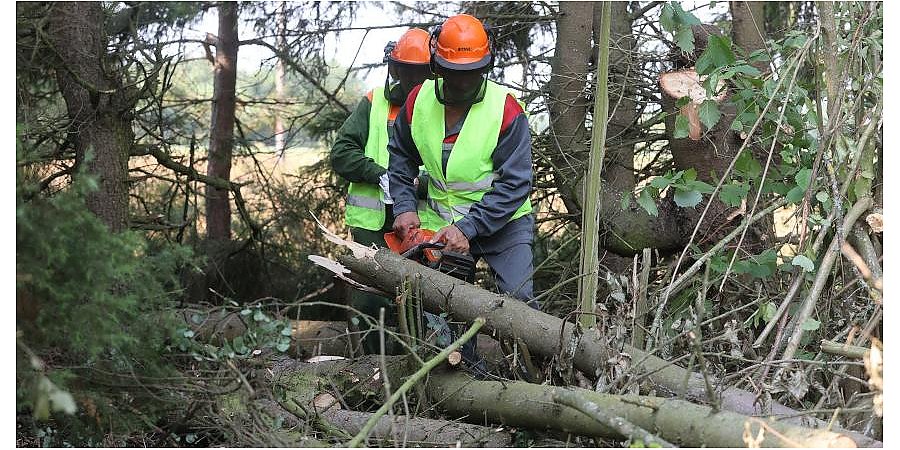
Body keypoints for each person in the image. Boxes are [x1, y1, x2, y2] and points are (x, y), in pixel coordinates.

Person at [387, 14, 538, 370]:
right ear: (438, 66)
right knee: (442, 308)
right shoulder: (417, 102)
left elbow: (515, 183)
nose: (464, 81)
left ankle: (537, 381)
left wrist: (469, 228)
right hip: (444, 225)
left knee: (519, 303)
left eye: (473, 72)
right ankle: (462, 384)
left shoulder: (505, 109)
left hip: (505, 225)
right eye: (456, 73)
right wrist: (405, 207)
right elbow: (400, 158)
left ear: (486, 65)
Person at [330, 28, 432, 355]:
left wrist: (421, 184)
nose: (412, 79)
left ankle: (416, 369)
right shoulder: (374, 102)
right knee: (370, 299)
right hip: (372, 222)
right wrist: (379, 175)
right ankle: (372, 370)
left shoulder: (442, 107)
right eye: (406, 70)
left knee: (419, 297)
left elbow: (457, 166)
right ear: (395, 68)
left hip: (422, 219)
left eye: (420, 72)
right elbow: (342, 152)